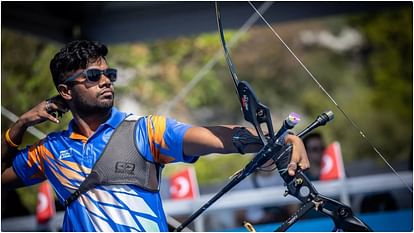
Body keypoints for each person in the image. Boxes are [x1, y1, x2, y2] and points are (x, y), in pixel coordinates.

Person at [1, 40, 310, 232]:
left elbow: (217, 137)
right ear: (65, 91)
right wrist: (21, 124)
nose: (106, 81)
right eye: (94, 77)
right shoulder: (51, 150)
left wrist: (277, 139)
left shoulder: (145, 130)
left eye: (110, 74)